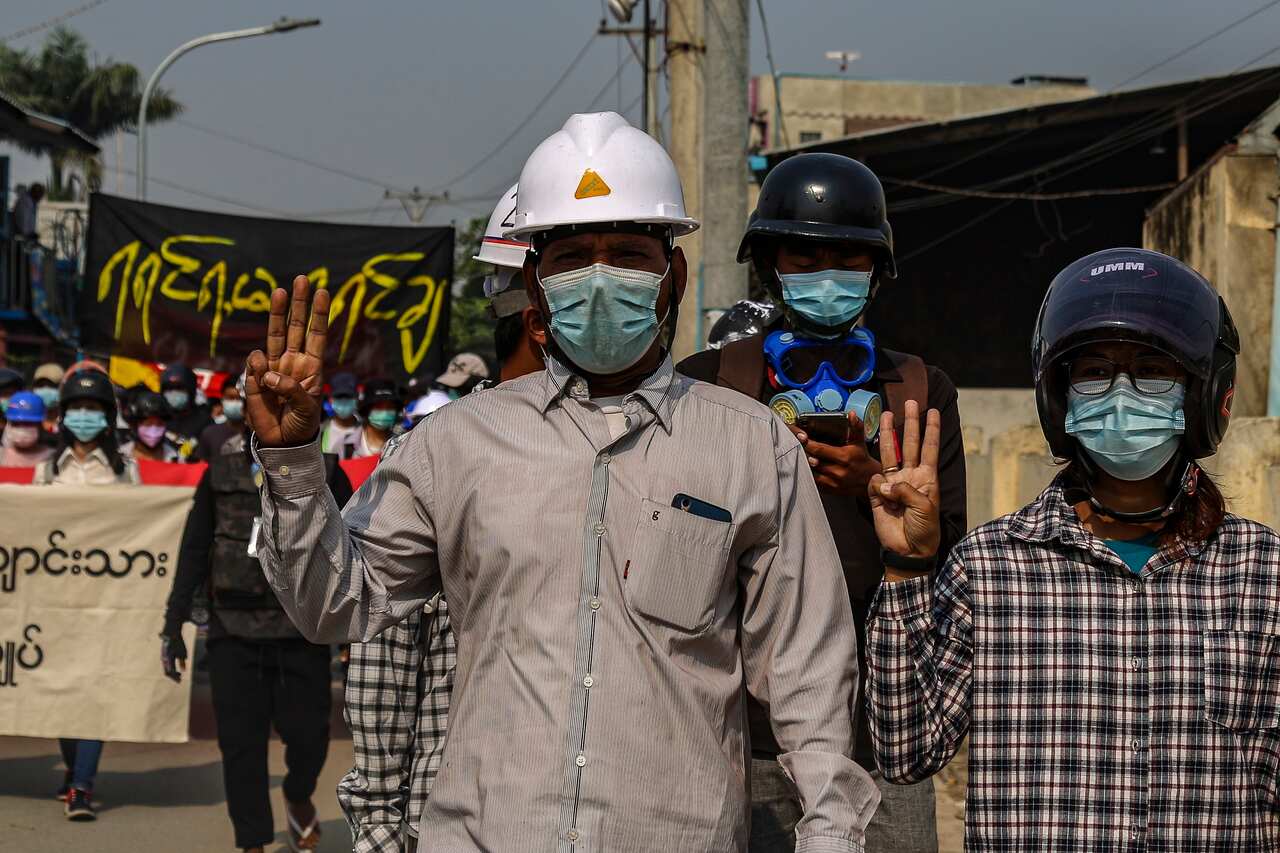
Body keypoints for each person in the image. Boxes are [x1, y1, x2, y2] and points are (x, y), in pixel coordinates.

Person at [245, 111, 880, 852]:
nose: (602, 278)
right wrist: (292, 464)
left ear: (671, 274)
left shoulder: (751, 446)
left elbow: (809, 666)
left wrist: (831, 832)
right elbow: (333, 606)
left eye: (629, 254)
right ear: (535, 288)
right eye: (573, 256)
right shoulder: (454, 444)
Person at [862, 248, 1279, 849]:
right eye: (1094, 372)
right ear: (1059, 398)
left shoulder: (1262, 571)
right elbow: (905, 753)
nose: (1121, 394)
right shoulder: (990, 567)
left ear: (1204, 392)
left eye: (1153, 370)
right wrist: (906, 568)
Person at [677, 152, 967, 853]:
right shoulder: (705, 383)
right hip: (740, 734)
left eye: (847, 256)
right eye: (805, 254)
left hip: (881, 732)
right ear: (769, 262)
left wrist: (880, 491)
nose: (826, 272)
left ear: (877, 269)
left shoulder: (921, 390)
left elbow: (953, 557)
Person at [337, 184, 544, 853]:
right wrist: (378, 825)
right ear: (530, 301)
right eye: (578, 263)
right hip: (460, 820)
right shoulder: (438, 452)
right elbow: (381, 646)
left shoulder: (677, 447)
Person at [160, 374, 353, 853]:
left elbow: (353, 552)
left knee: (310, 739)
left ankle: (297, 795)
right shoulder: (219, 473)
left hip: (303, 630)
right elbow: (194, 548)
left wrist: (355, 631)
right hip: (233, 630)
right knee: (240, 747)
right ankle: (251, 841)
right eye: (259, 407)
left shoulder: (328, 473)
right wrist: (173, 625)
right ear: (246, 416)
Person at [34, 368, 140, 821]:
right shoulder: (45, 470)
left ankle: (81, 784)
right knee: (62, 688)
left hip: (106, 598)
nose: (83, 416)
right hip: (54, 597)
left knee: (96, 689)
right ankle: (72, 766)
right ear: (62, 417)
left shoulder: (127, 471)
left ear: (108, 417)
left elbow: (140, 532)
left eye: (93, 409)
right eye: (76, 409)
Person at [159, 362, 212, 450]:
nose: (173, 393)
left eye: (179, 388)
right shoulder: (157, 418)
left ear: (191, 391)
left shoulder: (204, 422)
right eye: (169, 388)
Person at [120, 390, 180, 462]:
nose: (154, 429)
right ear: (134, 425)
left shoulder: (177, 459)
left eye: (159, 424)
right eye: (148, 423)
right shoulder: (120, 458)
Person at [197, 376, 245, 461]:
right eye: (230, 398)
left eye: (239, 399)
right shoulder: (209, 434)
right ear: (222, 399)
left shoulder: (253, 435)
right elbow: (201, 466)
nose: (235, 402)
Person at [0, 390, 53, 467]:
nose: (21, 429)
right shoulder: (1, 456)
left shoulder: (52, 457)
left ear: (40, 425)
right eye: (16, 424)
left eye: (28, 423)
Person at [353, 377, 401, 458]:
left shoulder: (403, 443)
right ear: (367, 410)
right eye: (378, 406)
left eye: (389, 407)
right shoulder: (347, 445)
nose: (385, 412)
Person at [320, 372, 361, 458]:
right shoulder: (320, 432)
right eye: (339, 397)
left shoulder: (366, 430)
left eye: (348, 397)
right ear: (330, 400)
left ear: (357, 399)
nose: (344, 401)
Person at [31, 362, 64, 437]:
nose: (45, 390)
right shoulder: (27, 420)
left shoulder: (69, 423)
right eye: (40, 385)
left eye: (52, 385)